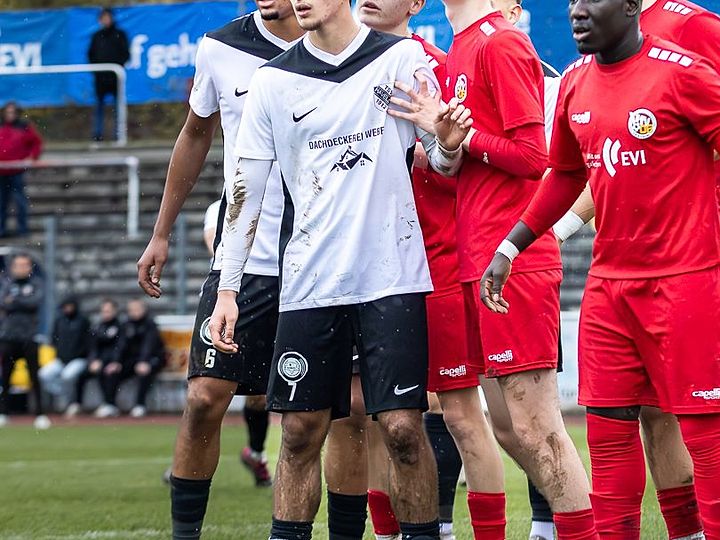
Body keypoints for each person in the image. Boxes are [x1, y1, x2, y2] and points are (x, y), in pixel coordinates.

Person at [480, 0, 720, 536]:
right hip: (609, 289)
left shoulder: (684, 72)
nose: (576, 11)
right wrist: (511, 246)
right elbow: (565, 176)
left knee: (702, 428)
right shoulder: (574, 82)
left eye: (591, 0)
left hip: (687, 280)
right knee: (607, 433)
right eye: (572, 0)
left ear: (629, 6)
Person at [207, 0, 473, 537]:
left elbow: (444, 161)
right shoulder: (272, 81)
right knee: (300, 432)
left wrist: (447, 145)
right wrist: (227, 289)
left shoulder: (401, 59)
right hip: (310, 284)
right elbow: (244, 192)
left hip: (392, 278)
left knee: (402, 429)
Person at [134, 1, 303, 536]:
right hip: (242, 259)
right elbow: (195, 134)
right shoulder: (220, 47)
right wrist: (161, 233)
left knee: (319, 419)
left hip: (321, 259)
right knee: (205, 398)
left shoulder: (348, 46)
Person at [439, 1, 600, 538]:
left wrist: (467, 139)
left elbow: (535, 157)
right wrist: (444, 145)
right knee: (510, 429)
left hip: (514, 261)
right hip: (477, 258)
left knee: (536, 428)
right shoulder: (461, 45)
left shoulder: (500, 42)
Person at [358, 2, 503, 538]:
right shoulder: (337, 67)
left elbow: (464, 166)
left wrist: (435, 153)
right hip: (367, 266)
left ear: (417, 3)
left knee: (463, 415)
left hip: (435, 262)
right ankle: (388, 532)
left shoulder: (436, 66)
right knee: (376, 416)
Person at [0, 253, 47, 429]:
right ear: (13, 267)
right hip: (9, 337)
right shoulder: (7, 283)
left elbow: (34, 302)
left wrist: (15, 301)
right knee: (5, 376)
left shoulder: (36, 283)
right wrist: (20, 302)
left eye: (25, 265)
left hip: (29, 337)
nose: (21, 268)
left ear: (29, 267)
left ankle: (40, 414)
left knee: (35, 376)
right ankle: (3, 413)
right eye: (18, 265)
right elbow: (3, 303)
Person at [97, 299, 165, 418]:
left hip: (151, 359)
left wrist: (143, 361)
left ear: (144, 310)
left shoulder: (150, 325)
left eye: (137, 309)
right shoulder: (126, 326)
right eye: (131, 310)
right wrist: (116, 361)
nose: (134, 312)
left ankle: (140, 405)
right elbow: (120, 345)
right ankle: (110, 404)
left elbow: (149, 345)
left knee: (144, 372)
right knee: (111, 371)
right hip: (132, 360)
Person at [65, 299, 121, 418]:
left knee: (108, 372)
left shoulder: (120, 327)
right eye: (104, 311)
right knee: (81, 375)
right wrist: (93, 360)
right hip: (98, 362)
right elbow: (92, 347)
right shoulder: (98, 327)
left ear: (115, 311)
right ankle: (77, 403)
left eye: (108, 311)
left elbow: (119, 348)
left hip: (113, 362)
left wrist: (112, 361)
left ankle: (109, 404)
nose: (106, 314)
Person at [37, 297, 90, 412]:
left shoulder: (83, 321)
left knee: (67, 376)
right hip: (61, 359)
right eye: (65, 307)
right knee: (43, 374)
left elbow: (88, 341)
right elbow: (54, 338)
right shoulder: (59, 321)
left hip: (78, 359)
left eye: (70, 306)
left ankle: (71, 402)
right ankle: (62, 394)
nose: (67, 309)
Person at [0, 102, 42, 238]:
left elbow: (36, 143)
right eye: (8, 112)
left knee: (20, 201)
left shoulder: (24, 126)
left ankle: (23, 229)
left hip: (17, 171)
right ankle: (1, 229)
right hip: (1, 171)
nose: (10, 115)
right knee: (1, 202)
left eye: (12, 112)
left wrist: (32, 157)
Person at [87, 7, 130, 142]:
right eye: (103, 18)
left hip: (116, 78)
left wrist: (116, 67)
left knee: (118, 108)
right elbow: (91, 55)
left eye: (107, 17)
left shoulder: (120, 35)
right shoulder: (96, 36)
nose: (105, 20)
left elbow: (126, 54)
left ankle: (118, 136)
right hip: (100, 79)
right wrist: (98, 71)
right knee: (99, 108)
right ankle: (97, 136)